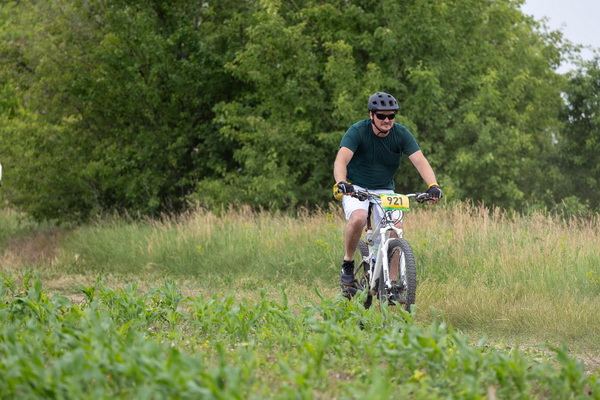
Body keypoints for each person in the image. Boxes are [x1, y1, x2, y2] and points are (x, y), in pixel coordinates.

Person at [333, 92, 442, 296]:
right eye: (381, 116)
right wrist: (341, 183)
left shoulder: (401, 134)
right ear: (371, 115)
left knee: (395, 228)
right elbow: (341, 160)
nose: (386, 120)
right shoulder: (357, 131)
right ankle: (348, 262)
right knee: (358, 218)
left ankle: (391, 285)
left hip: (385, 189)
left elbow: (420, 161)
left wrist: (433, 185)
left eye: (391, 116)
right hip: (355, 186)